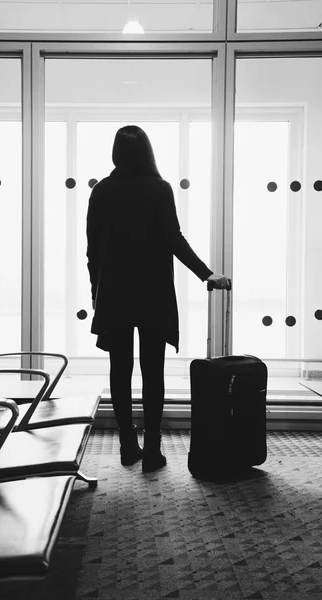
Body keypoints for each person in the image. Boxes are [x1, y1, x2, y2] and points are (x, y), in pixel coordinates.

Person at [86, 125, 231, 473]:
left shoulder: (102, 191)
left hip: (115, 294)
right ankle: (152, 449)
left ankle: (126, 444)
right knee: (153, 371)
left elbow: (93, 251)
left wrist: (96, 294)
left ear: (115, 153)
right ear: (148, 152)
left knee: (119, 370)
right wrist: (206, 273)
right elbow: (173, 239)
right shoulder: (159, 189)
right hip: (153, 293)